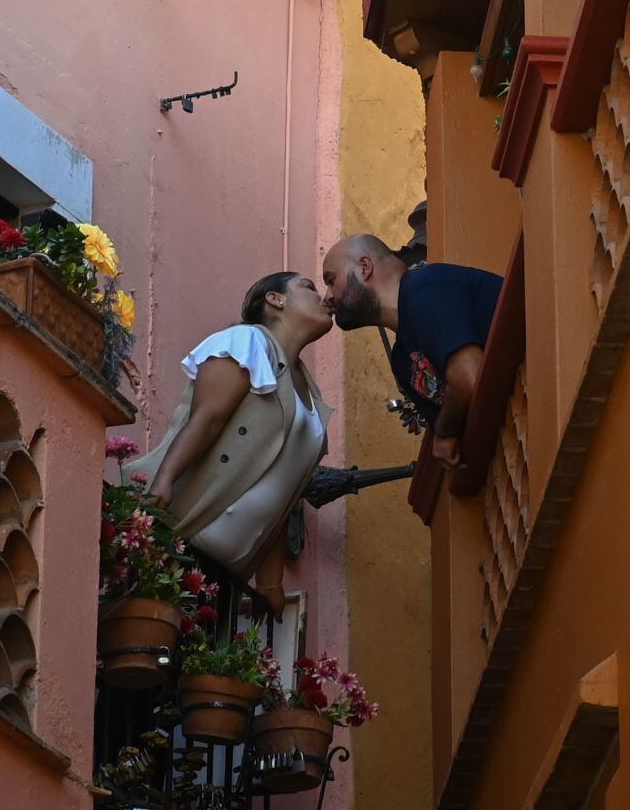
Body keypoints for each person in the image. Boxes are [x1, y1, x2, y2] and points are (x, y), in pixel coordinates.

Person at [125, 272, 333, 613]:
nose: (323, 297)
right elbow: (207, 419)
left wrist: (270, 583)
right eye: (309, 287)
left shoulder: (312, 393)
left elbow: (282, 499)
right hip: (178, 533)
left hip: (226, 573)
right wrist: (164, 479)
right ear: (275, 300)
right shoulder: (246, 342)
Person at [320, 234, 502, 469]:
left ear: (364, 268)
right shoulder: (402, 361)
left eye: (331, 280)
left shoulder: (425, 286)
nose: (327, 297)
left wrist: (444, 433)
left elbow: (468, 379)